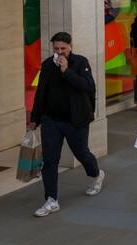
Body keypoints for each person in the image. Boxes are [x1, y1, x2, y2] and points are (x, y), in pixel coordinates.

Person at [30, 32, 104, 217]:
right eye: (56, 49)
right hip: (51, 120)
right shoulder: (47, 65)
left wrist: (66, 71)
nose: (59, 52)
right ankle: (51, 199)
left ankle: (96, 174)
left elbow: (87, 86)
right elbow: (41, 93)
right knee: (50, 160)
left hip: (75, 120)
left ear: (71, 46)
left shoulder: (80, 63)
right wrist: (35, 118)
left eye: (63, 48)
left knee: (81, 152)